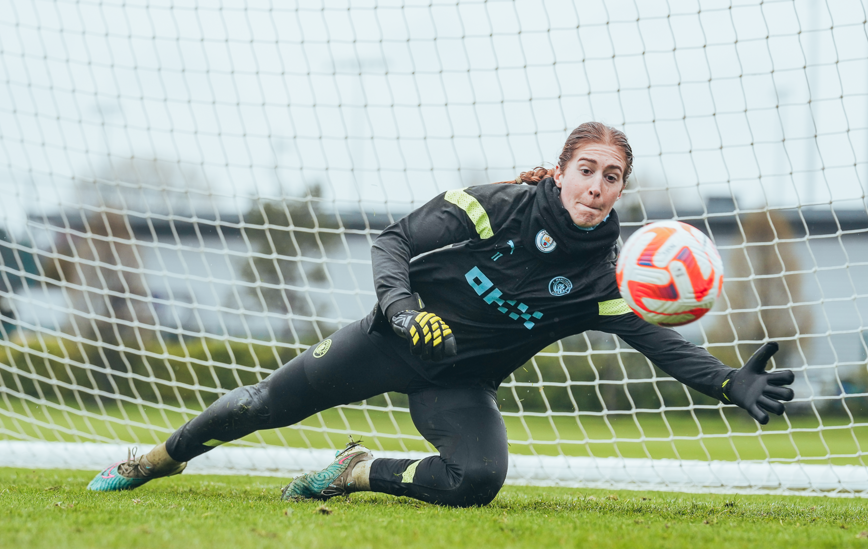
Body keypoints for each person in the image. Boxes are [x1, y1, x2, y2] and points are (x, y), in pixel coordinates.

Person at [87, 122, 795, 507]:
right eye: (588, 168)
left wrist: (728, 381)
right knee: (265, 403)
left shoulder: (605, 273)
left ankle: (357, 471)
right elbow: (392, 240)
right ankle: (153, 460)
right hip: (389, 341)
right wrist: (400, 312)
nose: (598, 184)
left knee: (478, 481)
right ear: (559, 172)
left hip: (462, 382)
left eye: (612, 176)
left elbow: (653, 338)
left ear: (619, 190)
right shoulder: (491, 206)